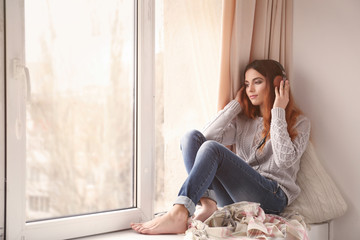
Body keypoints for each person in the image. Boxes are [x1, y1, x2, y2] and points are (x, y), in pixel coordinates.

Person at [131, 59, 311, 235]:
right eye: (247, 84)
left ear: (278, 84)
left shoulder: (299, 123)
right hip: (237, 195)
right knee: (190, 137)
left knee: (212, 148)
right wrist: (235, 105)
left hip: (271, 197)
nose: (250, 89)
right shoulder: (244, 121)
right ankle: (208, 204)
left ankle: (179, 211)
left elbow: (284, 160)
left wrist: (278, 111)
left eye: (257, 82)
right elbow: (203, 138)